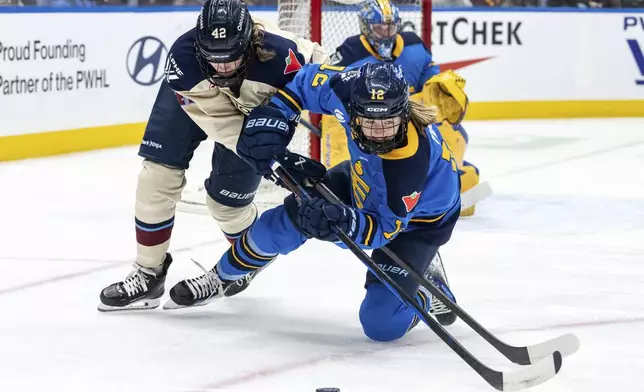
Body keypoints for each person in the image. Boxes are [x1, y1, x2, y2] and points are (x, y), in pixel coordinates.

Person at [166, 62, 461, 341]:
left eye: (388, 123)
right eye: (368, 122)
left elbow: (383, 231)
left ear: (404, 113)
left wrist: (341, 222)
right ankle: (220, 278)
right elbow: (306, 81)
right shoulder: (346, 89)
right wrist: (276, 117)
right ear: (352, 110)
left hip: (419, 222)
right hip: (364, 181)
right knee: (283, 223)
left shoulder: (408, 163)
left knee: (381, 324)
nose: (378, 135)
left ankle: (425, 291)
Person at [97, 0, 327, 312]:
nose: (221, 68)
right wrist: (267, 156)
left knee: (225, 204)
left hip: (251, 110)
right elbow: (219, 120)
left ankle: (245, 260)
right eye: (213, 58)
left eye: (230, 57)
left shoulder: (284, 55)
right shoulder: (184, 61)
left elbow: (325, 76)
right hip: (201, 102)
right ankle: (148, 272)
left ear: (248, 43)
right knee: (156, 176)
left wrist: (284, 117)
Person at [324, 0, 480, 218]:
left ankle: (447, 186)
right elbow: (331, 91)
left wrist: (442, 87)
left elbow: (430, 78)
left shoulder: (414, 45)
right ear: (365, 27)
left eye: (391, 26)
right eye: (379, 27)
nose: (386, 33)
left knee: (455, 134)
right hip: (370, 127)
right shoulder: (350, 53)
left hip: (411, 122)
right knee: (346, 148)